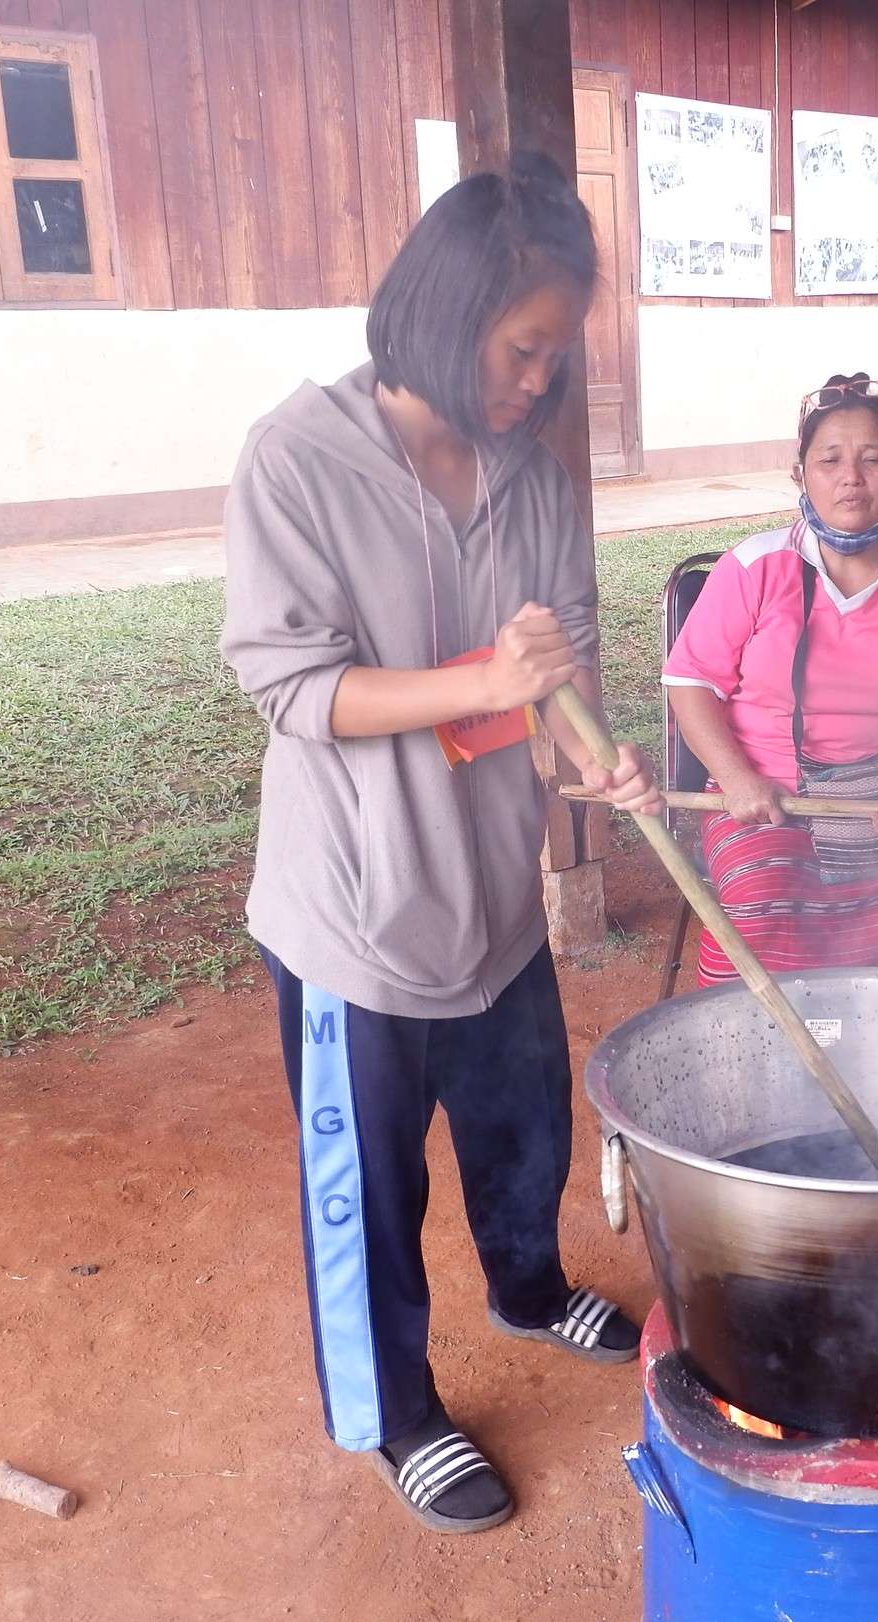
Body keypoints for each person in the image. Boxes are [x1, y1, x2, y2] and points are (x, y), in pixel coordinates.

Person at [220, 157, 661, 1536]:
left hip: (493, 894)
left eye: (556, 353)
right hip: (356, 910)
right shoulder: (297, 460)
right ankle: (400, 1411)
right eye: (522, 348)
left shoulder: (533, 477)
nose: (540, 380)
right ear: (447, 312)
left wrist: (591, 757)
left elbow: (559, 671)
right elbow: (291, 685)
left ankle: (529, 1286)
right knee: (373, 1184)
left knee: (522, 1120)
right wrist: (481, 681)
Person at [662, 374, 878, 984]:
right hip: (769, 804)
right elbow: (689, 684)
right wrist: (738, 779)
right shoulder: (753, 568)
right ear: (801, 474)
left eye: (873, 460)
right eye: (830, 461)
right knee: (760, 902)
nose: (851, 477)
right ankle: (772, 1038)